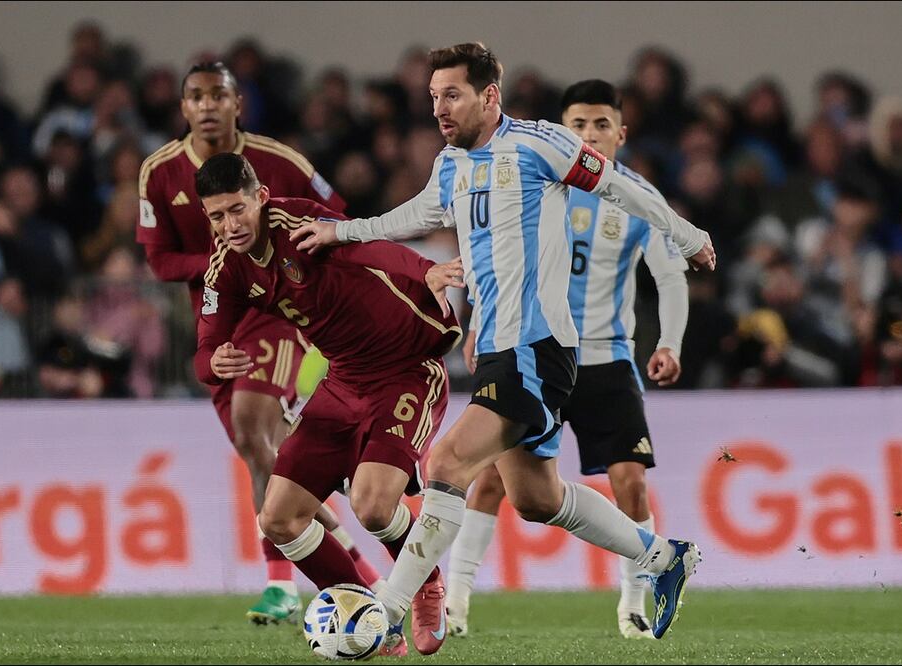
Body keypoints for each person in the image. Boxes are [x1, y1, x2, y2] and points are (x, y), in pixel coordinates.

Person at [292, 43, 716, 654]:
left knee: (445, 467)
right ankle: (661, 555)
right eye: (434, 96)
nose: (440, 108)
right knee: (537, 498)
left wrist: (685, 234)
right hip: (495, 347)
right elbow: (420, 212)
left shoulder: (538, 144)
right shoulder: (452, 163)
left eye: (453, 95)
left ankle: (384, 610)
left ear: (490, 96)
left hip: (534, 347)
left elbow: (619, 183)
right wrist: (344, 231)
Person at [444, 79, 691, 640]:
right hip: (538, 350)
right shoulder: (537, 182)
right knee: (492, 479)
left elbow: (671, 274)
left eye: (601, 124)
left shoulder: (632, 196)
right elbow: (494, 260)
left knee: (629, 480)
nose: (589, 134)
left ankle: (633, 604)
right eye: (577, 125)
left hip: (606, 359)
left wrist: (670, 340)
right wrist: (479, 324)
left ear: (620, 134)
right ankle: (456, 600)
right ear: (562, 131)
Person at [194, 153, 464, 657]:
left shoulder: (297, 225)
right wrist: (216, 362)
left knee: (373, 507)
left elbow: (366, 246)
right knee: (277, 518)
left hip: (405, 369)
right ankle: (368, 617)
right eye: (216, 216)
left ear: (260, 198)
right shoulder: (226, 269)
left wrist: (425, 268)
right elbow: (204, 349)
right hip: (341, 381)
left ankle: (424, 582)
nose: (229, 226)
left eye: (237, 210)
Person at [136, 61, 377, 625]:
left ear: (237, 103)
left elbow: (337, 216)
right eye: (196, 96)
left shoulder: (280, 161)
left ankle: (286, 584)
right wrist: (226, 261)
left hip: (279, 309)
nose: (208, 105)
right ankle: (360, 574)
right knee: (262, 454)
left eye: (218, 94)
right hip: (217, 321)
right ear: (184, 108)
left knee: (252, 427)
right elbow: (159, 261)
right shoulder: (160, 172)